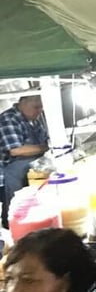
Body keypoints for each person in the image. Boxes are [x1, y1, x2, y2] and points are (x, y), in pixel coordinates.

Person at [0, 94, 48, 226]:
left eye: (41, 107)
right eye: (36, 107)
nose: (39, 111)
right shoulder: (9, 119)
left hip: (31, 175)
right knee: (17, 215)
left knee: (34, 214)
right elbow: (15, 150)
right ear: (22, 102)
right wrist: (46, 147)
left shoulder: (34, 121)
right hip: (13, 176)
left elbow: (44, 140)